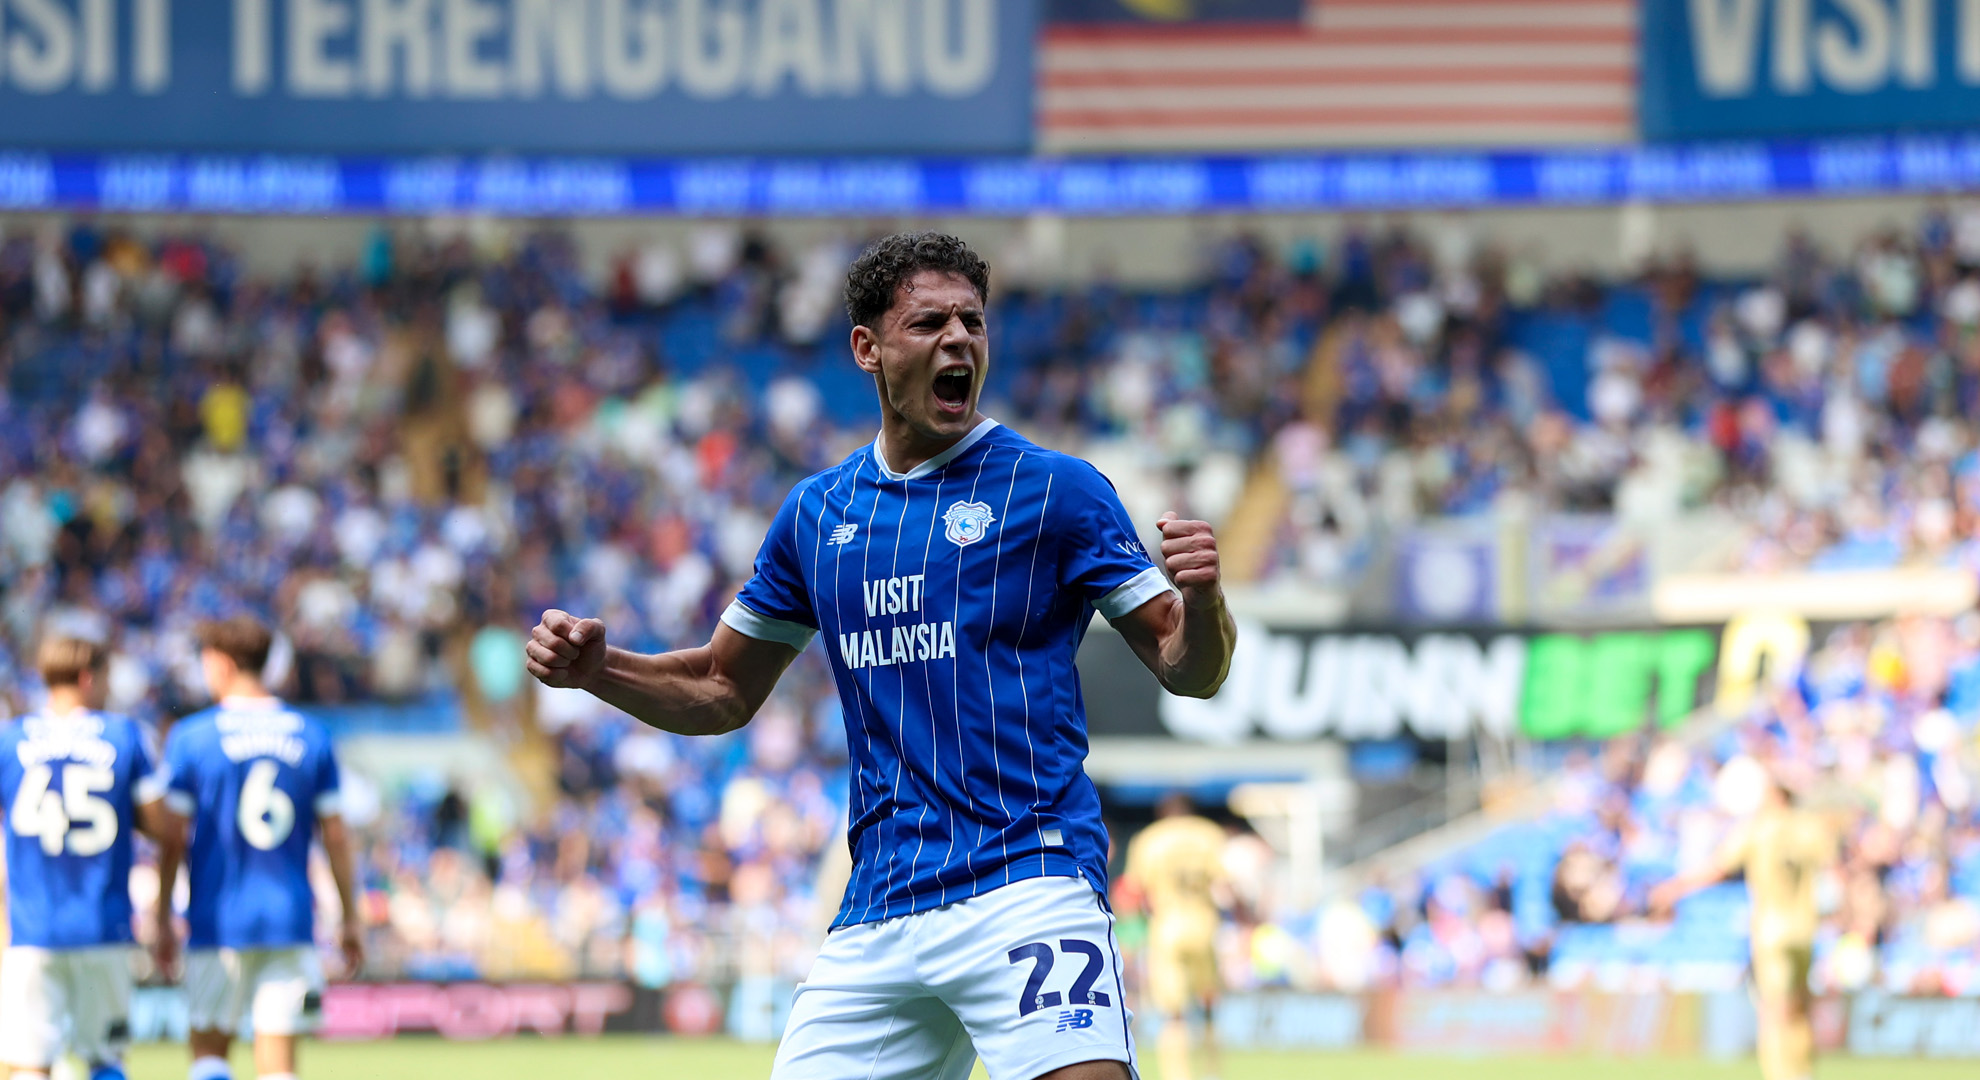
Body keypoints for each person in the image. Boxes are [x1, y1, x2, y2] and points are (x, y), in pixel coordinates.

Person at [527, 231, 1236, 1080]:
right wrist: (598, 671)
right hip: (879, 910)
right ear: (867, 348)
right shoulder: (816, 515)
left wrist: (1204, 603)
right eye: (929, 322)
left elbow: (1189, 667)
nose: (958, 340)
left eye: (972, 322)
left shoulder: (1057, 491)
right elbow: (721, 687)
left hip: (1027, 882)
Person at [154, 616, 363, 1080]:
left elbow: (172, 839)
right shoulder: (311, 734)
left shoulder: (191, 737)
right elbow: (336, 836)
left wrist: (161, 916)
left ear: (223, 664)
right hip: (288, 916)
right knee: (277, 1068)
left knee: (209, 1055)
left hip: (216, 916)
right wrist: (350, 916)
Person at [0, 637, 180, 1080]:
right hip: (104, 925)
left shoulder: (9, 741)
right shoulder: (122, 735)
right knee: (105, 1060)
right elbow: (165, 828)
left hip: (31, 929)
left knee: (28, 1065)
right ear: (88, 678)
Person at [1650, 773, 1837, 1080]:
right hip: (1805, 930)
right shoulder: (1810, 828)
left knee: (1773, 1008)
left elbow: (1717, 867)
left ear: (1775, 796)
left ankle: (1780, 1074)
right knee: (1800, 1004)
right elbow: (1834, 868)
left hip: (1771, 930)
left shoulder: (1758, 829)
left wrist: (1673, 889)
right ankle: (1803, 1071)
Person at [1122, 793, 1229, 1080]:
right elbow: (1225, 883)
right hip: (1205, 924)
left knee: (1173, 1015)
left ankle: (1178, 1076)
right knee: (1209, 1005)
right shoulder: (1209, 834)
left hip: (1167, 928)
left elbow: (1134, 892)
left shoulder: (1149, 839)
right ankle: (1212, 1071)